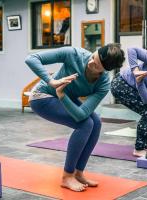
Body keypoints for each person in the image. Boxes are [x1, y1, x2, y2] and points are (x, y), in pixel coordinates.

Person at [25, 43, 125, 192]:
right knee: (85, 125)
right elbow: (31, 58)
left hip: (62, 96)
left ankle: (78, 173)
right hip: (42, 97)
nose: (90, 62)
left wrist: (62, 95)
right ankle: (67, 176)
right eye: (93, 57)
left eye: (96, 65)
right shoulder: (73, 54)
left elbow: (81, 114)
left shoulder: (103, 84)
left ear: (104, 70)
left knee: (95, 122)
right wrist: (51, 81)